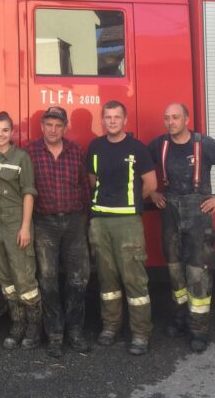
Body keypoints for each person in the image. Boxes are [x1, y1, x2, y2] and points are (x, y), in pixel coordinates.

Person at [148, 102, 215, 353]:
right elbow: (138, 166)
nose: (171, 122)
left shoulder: (204, 144)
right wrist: (153, 192)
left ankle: (198, 329)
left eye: (176, 117)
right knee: (175, 271)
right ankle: (180, 319)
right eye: (167, 118)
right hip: (170, 212)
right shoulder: (160, 144)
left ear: (187, 119)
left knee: (197, 273)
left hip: (198, 213)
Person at [86, 101, 157, 355]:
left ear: (125, 120)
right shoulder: (95, 147)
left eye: (117, 117)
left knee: (134, 280)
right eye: (108, 117)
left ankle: (140, 333)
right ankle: (111, 327)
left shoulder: (137, 148)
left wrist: (132, 202)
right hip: (100, 222)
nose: (112, 121)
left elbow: (150, 183)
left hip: (128, 223)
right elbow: (93, 180)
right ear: (102, 120)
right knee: (107, 279)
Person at [26, 106, 91, 358]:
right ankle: (54, 334)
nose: (53, 130)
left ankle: (75, 332)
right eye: (49, 124)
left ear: (64, 128)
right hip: (44, 224)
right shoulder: (29, 152)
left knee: (78, 279)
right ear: (42, 126)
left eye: (58, 125)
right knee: (48, 280)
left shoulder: (75, 151)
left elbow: (84, 187)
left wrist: (85, 220)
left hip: (75, 222)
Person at [0, 111, 41, 350]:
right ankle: (17, 325)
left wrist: (25, 227)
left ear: (12, 131)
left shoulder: (21, 157)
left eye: (5, 130)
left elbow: (28, 192)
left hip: (17, 221)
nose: (0, 134)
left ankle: (34, 328)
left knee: (24, 277)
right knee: (4, 277)